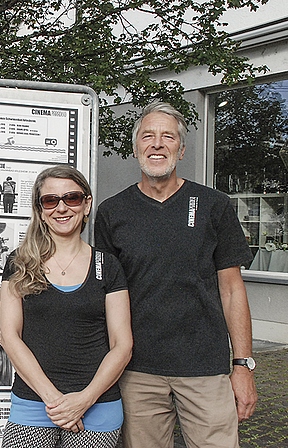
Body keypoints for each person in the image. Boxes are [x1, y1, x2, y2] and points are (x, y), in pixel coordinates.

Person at [94, 100, 257, 448]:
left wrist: (242, 365)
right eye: (148, 136)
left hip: (205, 368)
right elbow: (106, 297)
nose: (157, 144)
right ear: (136, 147)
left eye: (168, 137)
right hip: (136, 371)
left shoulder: (214, 205)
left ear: (181, 149)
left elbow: (232, 289)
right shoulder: (111, 213)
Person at [0, 165, 132, 448]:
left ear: (86, 204)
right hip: (34, 404)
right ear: (40, 209)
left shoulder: (107, 266)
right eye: (51, 200)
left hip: (97, 406)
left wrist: (84, 400)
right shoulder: (19, 262)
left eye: (71, 198)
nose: (61, 208)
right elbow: (10, 337)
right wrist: (56, 402)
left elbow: (122, 345)